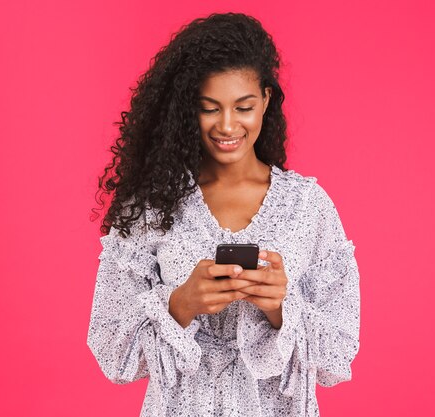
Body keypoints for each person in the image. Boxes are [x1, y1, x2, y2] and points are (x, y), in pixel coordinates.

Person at [87, 12, 361, 416]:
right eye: (209, 108)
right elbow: (110, 345)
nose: (228, 125)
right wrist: (179, 303)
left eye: (243, 106)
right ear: (187, 109)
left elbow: (339, 354)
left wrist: (279, 306)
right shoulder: (153, 205)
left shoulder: (308, 207)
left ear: (266, 100)